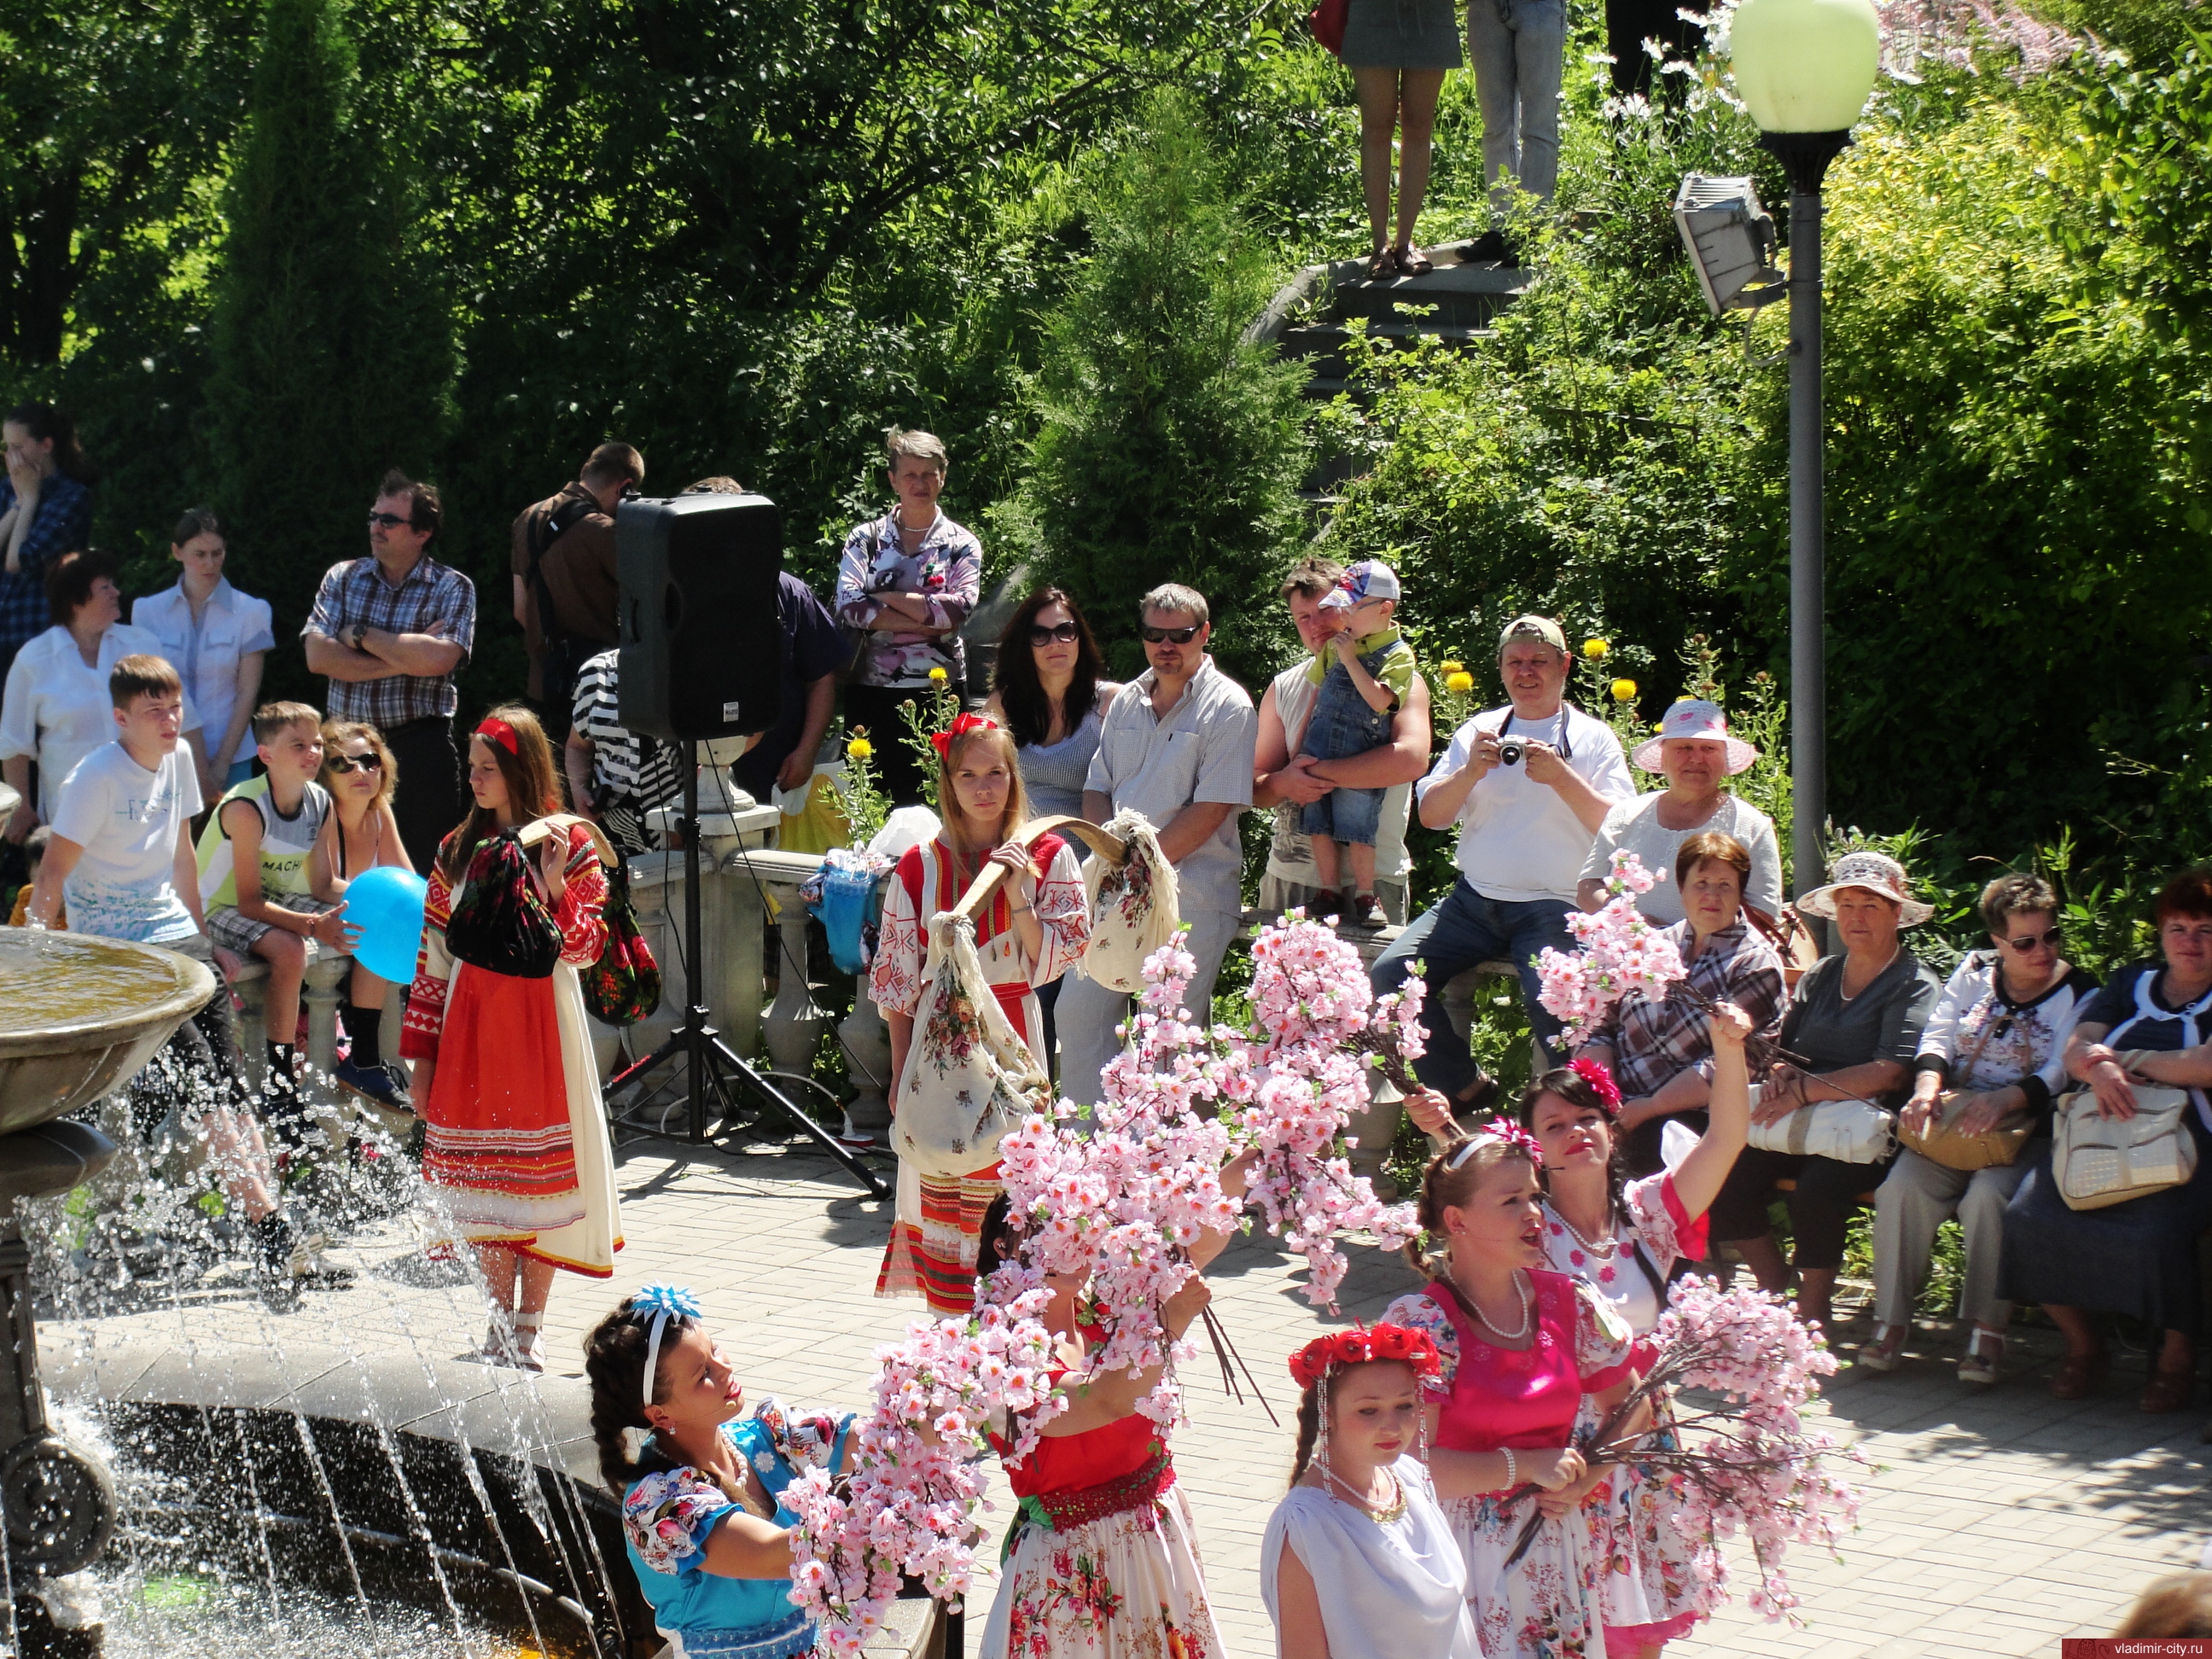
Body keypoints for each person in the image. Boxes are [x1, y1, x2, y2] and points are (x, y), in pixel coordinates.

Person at [28, 655, 337, 1284]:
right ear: (120, 718)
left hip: (178, 944)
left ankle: (270, 1225)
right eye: (154, 711)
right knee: (203, 1091)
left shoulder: (178, 763)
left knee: (226, 1087)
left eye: (174, 707)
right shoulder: (95, 777)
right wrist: (37, 964)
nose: (171, 721)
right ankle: (271, 1229)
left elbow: (182, 862)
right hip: (120, 956)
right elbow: (51, 874)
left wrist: (206, 941)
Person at [1467, 1013, 1753, 1659]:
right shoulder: (1523, 1233)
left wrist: (1729, 1051)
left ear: (1611, 1126)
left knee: (1638, 1624)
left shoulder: (1650, 1215)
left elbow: (1729, 1136)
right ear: (1533, 1148)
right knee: (1563, 1623)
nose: (1575, 1133)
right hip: (1557, 1450)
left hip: (1641, 1438)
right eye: (1555, 1126)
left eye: (1587, 1118)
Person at [401, 707, 622, 1368]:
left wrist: (555, 894)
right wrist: (422, 1059)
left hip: (543, 1026)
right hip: (471, 1027)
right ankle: (497, 1327)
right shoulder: (453, 850)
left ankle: (529, 1330)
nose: (474, 779)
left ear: (521, 768)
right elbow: (433, 957)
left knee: (540, 1184)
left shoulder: (572, 844)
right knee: (487, 1184)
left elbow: (586, 950)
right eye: (470, 767)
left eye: (487, 768)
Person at [1382, 1126, 1642, 1659]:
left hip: (1556, 1546)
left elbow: (1632, 1405)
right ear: (1457, 1221)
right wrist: (1525, 1464)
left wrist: (1584, 1478)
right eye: (1511, 1201)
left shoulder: (1570, 1302)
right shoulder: (1426, 1325)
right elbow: (1408, 1467)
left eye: (1534, 1197)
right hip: (1458, 1554)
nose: (1534, 1214)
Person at [870, 715, 1088, 1313]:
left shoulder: (1050, 852)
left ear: (1014, 777)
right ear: (949, 781)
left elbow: (1051, 964)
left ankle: (1015, 1313)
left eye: (996, 772)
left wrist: (1019, 893)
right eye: (968, 774)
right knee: (943, 1157)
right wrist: (898, 1069)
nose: (983, 788)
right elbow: (896, 982)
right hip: (938, 1041)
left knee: (1011, 1174)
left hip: (1013, 1031)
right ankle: (950, 1326)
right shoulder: (917, 866)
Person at [1371, 614, 1634, 1105]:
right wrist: (1470, 771)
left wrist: (1561, 777)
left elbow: (1619, 829)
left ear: (1565, 666)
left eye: (1539, 661)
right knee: (1390, 976)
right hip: (1474, 903)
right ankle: (1463, 1086)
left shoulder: (1593, 738)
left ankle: (1578, 1127)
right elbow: (1431, 816)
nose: (1526, 671)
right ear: (1501, 668)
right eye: (1515, 662)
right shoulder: (1479, 730)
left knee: (1558, 1015)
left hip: (1554, 907)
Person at [974, 1191, 1238, 1659]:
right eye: (1044, 1233)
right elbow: (1105, 1402)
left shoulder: (1106, 1311)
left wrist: (1252, 1158)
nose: (1068, 1246)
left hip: (1156, 1540)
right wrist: (1171, 1320)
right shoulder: (995, 1357)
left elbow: (1201, 1239)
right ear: (1003, 1246)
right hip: (1072, 1569)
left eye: (1077, 1231)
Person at [1864, 874, 2096, 1385]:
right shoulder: (1974, 971)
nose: (2042, 950)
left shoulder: (2078, 991)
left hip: (2024, 1135)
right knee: (1901, 1188)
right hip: (1952, 1125)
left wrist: (2005, 1100)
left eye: (2051, 936)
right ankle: (1891, 1321)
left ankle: (1987, 1331)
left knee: (1987, 1201)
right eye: (2025, 942)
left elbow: (2061, 1067)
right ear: (1997, 943)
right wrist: (1927, 1087)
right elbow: (1940, 1030)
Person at [2000, 866, 2212, 1414]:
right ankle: (2085, 1345)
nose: (2190, 941)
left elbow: (2207, 1065)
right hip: (2096, 1135)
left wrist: (2125, 1063)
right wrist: (2096, 1069)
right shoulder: (2129, 983)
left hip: (2189, 1146)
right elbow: (2076, 1046)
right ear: (2161, 934)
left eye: (2205, 929)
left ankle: (2177, 1358)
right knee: (2028, 1215)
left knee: (2161, 1231)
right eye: (2178, 928)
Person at [1706, 851, 1941, 1332]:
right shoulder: (1823, 974)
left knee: (1815, 1190)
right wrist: (1779, 1074)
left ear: (1898, 913)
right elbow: (1785, 1047)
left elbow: (1890, 1072)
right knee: (1724, 1168)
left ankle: (1813, 1313)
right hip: (1802, 1116)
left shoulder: (1913, 983)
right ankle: (1772, 1289)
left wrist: (1802, 1093)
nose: (1857, 918)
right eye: (1848, 906)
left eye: (1872, 906)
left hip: (1867, 1126)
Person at [1058, 584, 1258, 1107]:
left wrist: (1136, 867)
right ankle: (1084, 1159)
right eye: (1154, 634)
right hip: (1114, 890)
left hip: (1189, 895)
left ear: (1205, 634)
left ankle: (1164, 1174)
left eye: (1181, 635)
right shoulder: (1125, 700)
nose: (1166, 645)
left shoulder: (1230, 705)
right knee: (1077, 1014)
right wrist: (1111, 858)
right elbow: (1097, 787)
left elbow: (1211, 809)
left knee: (1165, 1042)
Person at [586, 1285, 853, 1659]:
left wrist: (939, 1401)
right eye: (703, 1375)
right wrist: (878, 1518)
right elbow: (776, 1555)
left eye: (715, 1350)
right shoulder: (658, 1507)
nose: (726, 1368)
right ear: (660, 1415)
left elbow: (881, 1441)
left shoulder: (767, 1441)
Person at [1576, 832, 1787, 1176]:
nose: (1712, 896)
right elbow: (1600, 1026)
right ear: (1681, 887)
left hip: (1695, 1114)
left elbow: (1736, 1063)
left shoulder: (1754, 962)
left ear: (1740, 893)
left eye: (1724, 886)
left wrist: (1647, 1108)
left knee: (1634, 1157)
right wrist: (1603, 1095)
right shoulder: (1653, 945)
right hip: (1618, 1101)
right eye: (1701, 882)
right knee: (1555, 1139)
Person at [1262, 1325, 1480, 1659]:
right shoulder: (1307, 1525)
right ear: (1329, 1414)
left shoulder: (1411, 1479)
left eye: (1404, 1406)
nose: (1392, 1426)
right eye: (1368, 1410)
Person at [303, 470, 476, 875]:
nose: (375, 528)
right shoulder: (342, 577)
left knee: (427, 871)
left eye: (389, 520)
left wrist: (359, 636)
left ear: (423, 533)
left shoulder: (453, 587)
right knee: (341, 870)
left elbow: (438, 662)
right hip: (346, 751)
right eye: (373, 517)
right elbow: (317, 657)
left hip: (418, 749)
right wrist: (404, 652)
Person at [194, 701, 352, 1135]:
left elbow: (323, 885)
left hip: (273, 900)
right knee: (289, 949)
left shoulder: (320, 801)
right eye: (298, 744)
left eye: (317, 743)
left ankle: (362, 1051)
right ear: (265, 755)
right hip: (217, 910)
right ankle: (282, 1088)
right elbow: (246, 903)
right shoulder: (245, 807)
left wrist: (372, 898)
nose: (313, 753)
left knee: (363, 918)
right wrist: (313, 927)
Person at [1254, 557, 1432, 928]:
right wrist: (1286, 782)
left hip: (1373, 883)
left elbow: (1411, 760)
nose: (1315, 625)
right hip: (1290, 878)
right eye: (1303, 618)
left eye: (1325, 610)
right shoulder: (1283, 687)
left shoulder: (1399, 675)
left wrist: (1319, 773)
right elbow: (1256, 788)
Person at [984, 586, 1118, 1074]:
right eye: (1041, 634)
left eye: (1065, 630)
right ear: (1026, 644)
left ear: (1080, 638)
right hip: (1022, 870)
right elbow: (981, 781)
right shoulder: (1004, 705)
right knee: (1030, 1001)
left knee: (1078, 1008)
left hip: (1087, 874)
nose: (1055, 642)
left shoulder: (1111, 704)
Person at [662, 475, 859, 803]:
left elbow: (821, 679)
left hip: (775, 775)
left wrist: (807, 752)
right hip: (685, 775)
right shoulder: (668, 592)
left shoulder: (787, 592)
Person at [2, 550, 203, 842]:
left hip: (145, 806)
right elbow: (13, 744)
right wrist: (22, 808)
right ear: (76, 600)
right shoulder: (34, 659)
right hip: (70, 814)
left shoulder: (142, 644)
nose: (116, 592)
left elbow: (184, 717)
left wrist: (204, 780)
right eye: (105, 587)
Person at [834, 428, 982, 806]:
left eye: (930, 474)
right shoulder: (865, 540)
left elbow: (959, 608)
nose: (921, 483)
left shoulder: (961, 543)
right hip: (871, 691)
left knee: (942, 803)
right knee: (873, 804)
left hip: (940, 695)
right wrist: (927, 617)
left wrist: (885, 595)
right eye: (911, 475)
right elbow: (849, 605)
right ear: (893, 480)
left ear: (943, 477)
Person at [1575, 699, 1782, 928]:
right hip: (1627, 953)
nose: (1696, 758)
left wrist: (1687, 941)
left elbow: (1765, 914)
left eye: (1709, 748)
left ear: (1725, 759)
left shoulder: (1751, 826)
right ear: (1663, 757)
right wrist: (1631, 923)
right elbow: (1588, 886)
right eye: (1684, 748)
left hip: (1714, 960)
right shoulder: (1625, 815)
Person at [1294, 559, 1417, 927]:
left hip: (1359, 756)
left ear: (1384, 609)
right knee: (1317, 823)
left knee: (1358, 827)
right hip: (1318, 748)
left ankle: (1366, 894)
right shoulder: (1335, 646)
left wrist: (1351, 661)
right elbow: (1315, 700)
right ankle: (1328, 890)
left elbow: (1381, 701)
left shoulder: (1398, 654)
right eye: (1342, 604)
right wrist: (1298, 753)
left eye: (1353, 606)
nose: (1344, 614)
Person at [307, 719, 416, 1110]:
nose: (361, 772)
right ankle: (365, 1059)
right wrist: (380, 903)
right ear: (325, 773)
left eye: (370, 761)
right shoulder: (320, 812)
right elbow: (321, 885)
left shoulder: (379, 812)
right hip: (311, 916)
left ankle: (388, 1056)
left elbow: (406, 880)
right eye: (344, 764)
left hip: (352, 917)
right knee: (378, 926)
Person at [133, 507, 275, 799]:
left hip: (232, 756)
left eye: (217, 553)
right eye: (200, 554)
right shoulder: (147, 611)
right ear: (177, 552)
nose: (210, 563)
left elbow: (247, 692)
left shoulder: (252, 611)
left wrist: (222, 763)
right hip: (164, 755)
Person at [510, 442, 645, 736]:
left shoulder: (526, 519)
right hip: (597, 689)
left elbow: (521, 610)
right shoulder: (603, 530)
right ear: (625, 488)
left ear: (586, 470)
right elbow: (647, 601)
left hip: (543, 683)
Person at [1342, 0, 1456, 282]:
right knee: (1377, 128)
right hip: (1372, 13)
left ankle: (1405, 244)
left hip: (1432, 15)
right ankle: (1379, 245)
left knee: (1419, 126)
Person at [0, 404, 96, 687]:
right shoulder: (7, 489)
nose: (11, 456)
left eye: (18, 446)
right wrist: (18, 503)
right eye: (7, 447)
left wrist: (30, 500)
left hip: (36, 633)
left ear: (46, 445)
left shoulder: (71, 497)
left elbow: (20, 560)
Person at [1464, 0, 1566, 267]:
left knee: (1538, 126)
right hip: (1485, 8)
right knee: (1496, 127)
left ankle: (1531, 231)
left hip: (1540, 7)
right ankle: (1501, 228)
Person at [565, 646, 685, 858]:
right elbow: (578, 747)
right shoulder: (596, 673)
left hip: (681, 837)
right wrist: (579, 790)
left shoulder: (686, 668)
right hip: (613, 839)